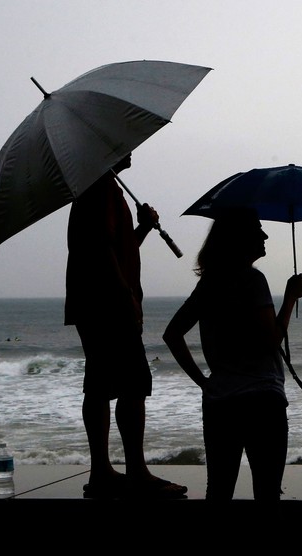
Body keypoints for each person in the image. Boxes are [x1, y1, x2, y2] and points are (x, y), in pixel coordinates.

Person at [65, 153, 187, 499]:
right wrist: (126, 297)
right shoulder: (100, 187)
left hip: (95, 302)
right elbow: (102, 249)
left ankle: (103, 472)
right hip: (107, 303)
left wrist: (143, 227)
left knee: (101, 382)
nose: (131, 148)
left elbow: (118, 247)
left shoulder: (101, 187)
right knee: (133, 382)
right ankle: (135, 472)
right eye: (124, 144)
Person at [163, 207, 302, 500]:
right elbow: (271, 340)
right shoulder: (253, 280)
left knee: (218, 492)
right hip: (262, 402)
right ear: (240, 238)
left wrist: (204, 382)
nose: (264, 235)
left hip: (220, 402)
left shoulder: (209, 283)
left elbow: (172, 334)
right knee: (267, 494)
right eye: (257, 229)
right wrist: (290, 298)